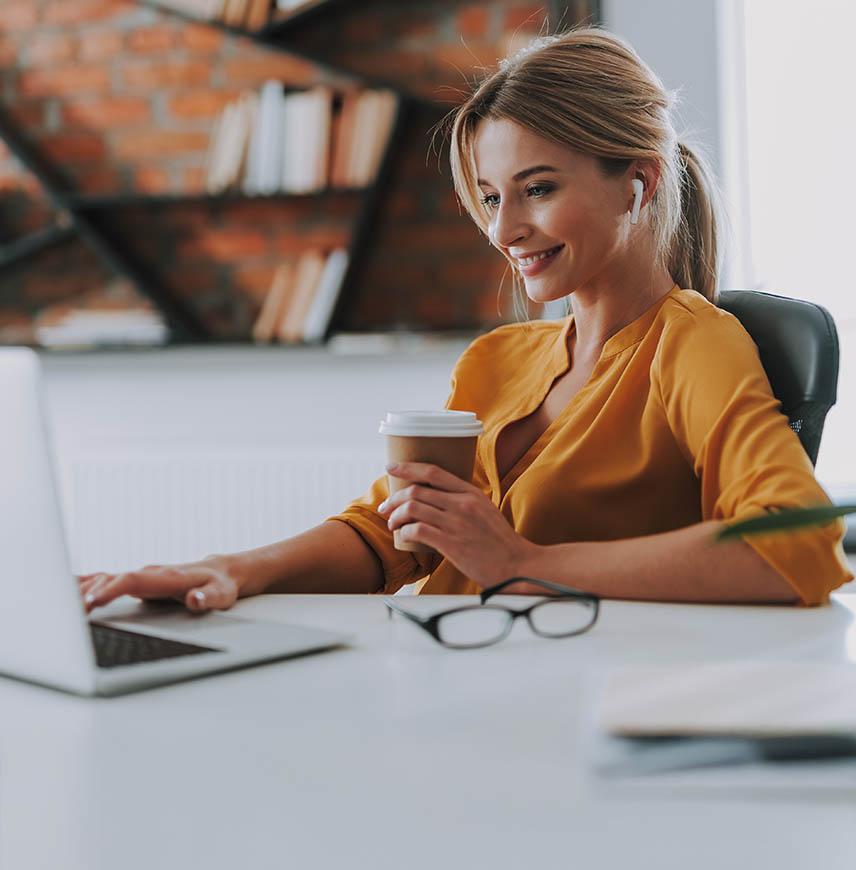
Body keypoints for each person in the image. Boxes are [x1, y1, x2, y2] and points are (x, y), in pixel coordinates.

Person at [80, 27, 851, 616]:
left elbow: (797, 548)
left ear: (637, 185)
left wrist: (520, 563)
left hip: (563, 703)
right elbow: (393, 533)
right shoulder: (498, 360)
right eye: (489, 197)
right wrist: (232, 570)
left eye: (537, 189)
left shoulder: (692, 345)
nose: (504, 230)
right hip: (447, 675)